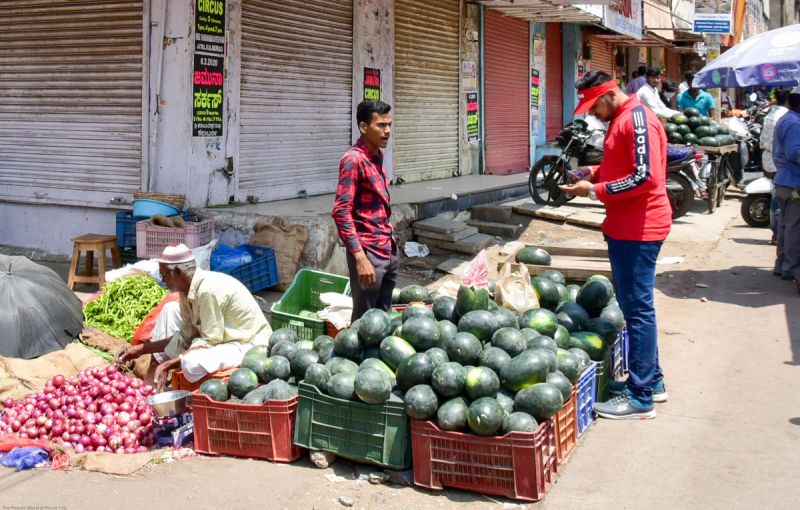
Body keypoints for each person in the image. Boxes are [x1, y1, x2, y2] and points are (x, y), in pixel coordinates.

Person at [560, 71, 672, 419]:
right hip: (625, 226)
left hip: (640, 228)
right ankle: (651, 381)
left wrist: (594, 191)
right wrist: (593, 173)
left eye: (594, 107)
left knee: (638, 310)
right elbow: (621, 166)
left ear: (609, 95)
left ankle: (640, 399)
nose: (592, 115)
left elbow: (644, 176)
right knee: (633, 305)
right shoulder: (622, 120)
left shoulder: (637, 120)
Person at [117, 244, 272, 390]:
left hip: (248, 345)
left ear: (177, 272)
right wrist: (140, 349)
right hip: (220, 336)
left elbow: (210, 341)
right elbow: (185, 336)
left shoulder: (208, 290)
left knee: (191, 362)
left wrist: (171, 363)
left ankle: (177, 381)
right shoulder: (186, 290)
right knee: (169, 310)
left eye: (163, 275)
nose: (163, 280)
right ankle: (152, 388)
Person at [332, 100, 397, 321]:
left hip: (386, 248)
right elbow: (341, 212)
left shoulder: (377, 155)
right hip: (369, 253)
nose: (387, 131)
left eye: (389, 125)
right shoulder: (353, 160)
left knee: (383, 319)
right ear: (363, 127)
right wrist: (360, 258)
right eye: (381, 125)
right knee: (364, 324)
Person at [772, 86, 800, 294]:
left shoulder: (786, 119)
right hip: (793, 183)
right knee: (793, 227)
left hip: (784, 180)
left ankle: (782, 265)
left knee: (784, 225)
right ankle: (790, 268)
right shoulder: (794, 123)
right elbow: (794, 153)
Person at [761, 87, 791, 244]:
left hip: (768, 158)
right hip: (778, 161)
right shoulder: (784, 117)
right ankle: (777, 234)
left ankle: (776, 233)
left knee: (775, 195)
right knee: (778, 199)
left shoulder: (770, 114)